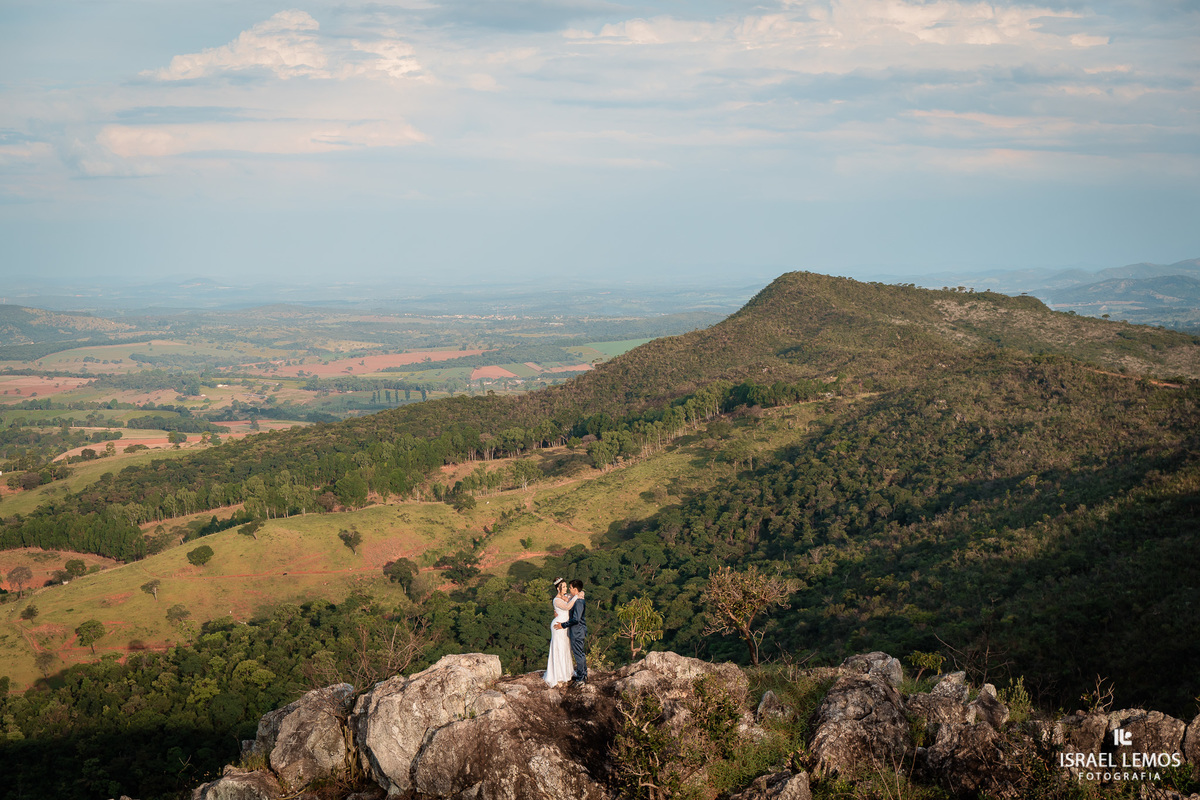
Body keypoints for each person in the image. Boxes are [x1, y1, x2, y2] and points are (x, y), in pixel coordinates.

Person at [544, 578, 578, 686]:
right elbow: (568, 606)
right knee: (559, 647)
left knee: (565, 647)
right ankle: (559, 674)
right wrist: (576, 597)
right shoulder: (557, 600)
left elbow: (576, 595)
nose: (566, 588)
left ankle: (567, 672)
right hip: (558, 626)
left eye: (565, 586)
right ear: (558, 589)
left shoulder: (565, 597)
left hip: (565, 626)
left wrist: (577, 594)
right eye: (563, 587)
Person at [553, 579, 587, 683]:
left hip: (577, 631)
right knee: (579, 654)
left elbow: (576, 619)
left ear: (575, 589)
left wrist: (563, 625)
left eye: (570, 587)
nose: (569, 589)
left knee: (578, 654)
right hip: (576, 631)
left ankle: (582, 677)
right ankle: (583, 675)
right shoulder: (575, 598)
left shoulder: (579, 602)